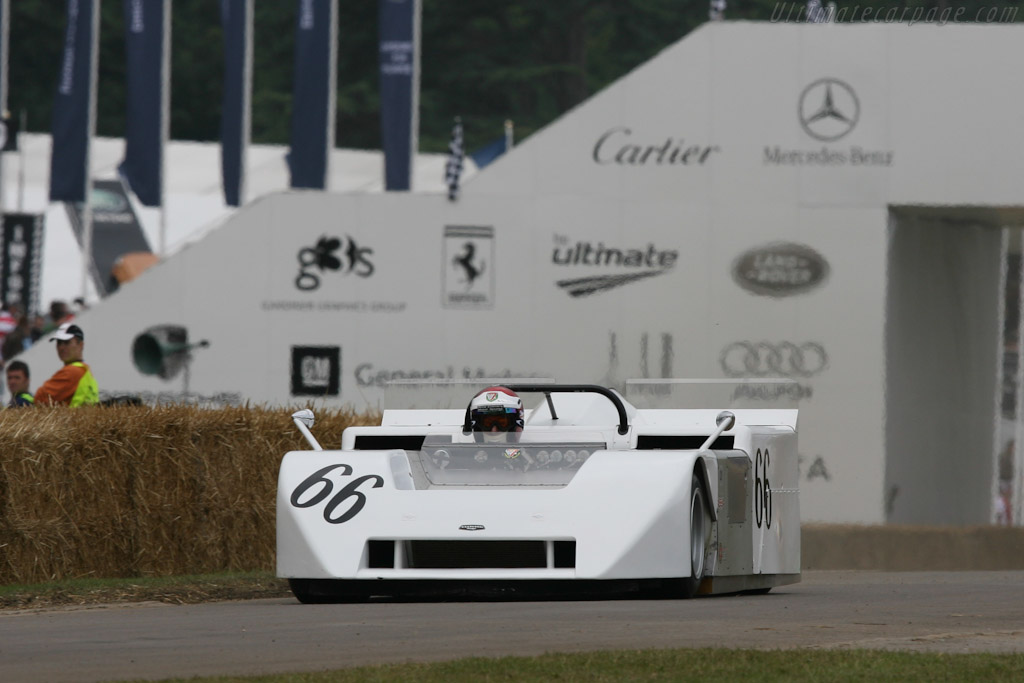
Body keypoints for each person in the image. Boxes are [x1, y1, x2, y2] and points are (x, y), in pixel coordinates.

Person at [34, 323, 99, 407]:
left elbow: (39, 399)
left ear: (81, 345)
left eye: (66, 342)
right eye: (59, 342)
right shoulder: (85, 370)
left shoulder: (72, 371)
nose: (61, 347)